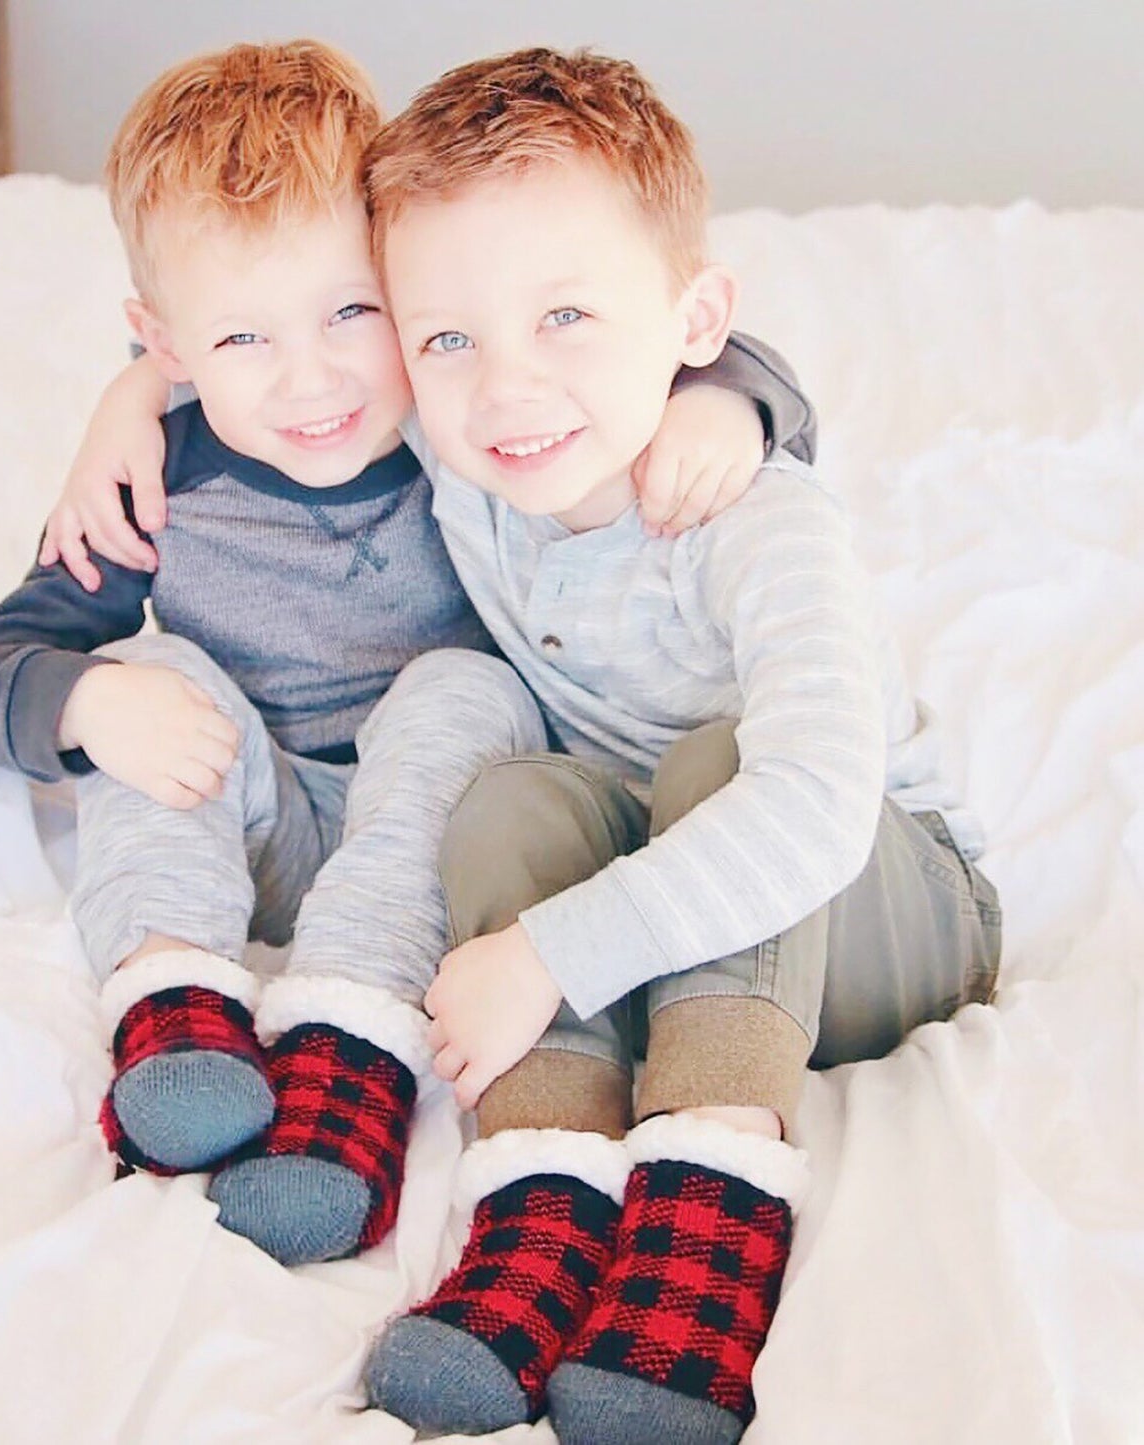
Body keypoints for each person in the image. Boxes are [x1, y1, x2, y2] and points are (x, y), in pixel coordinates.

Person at [0, 40, 816, 1268]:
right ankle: (172, 1005)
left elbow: (629, 359)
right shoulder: (158, 478)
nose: (315, 381)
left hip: (438, 843)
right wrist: (89, 694)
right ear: (165, 343)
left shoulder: (462, 432)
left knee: (459, 684)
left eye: (354, 312)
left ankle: (345, 1056)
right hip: (257, 824)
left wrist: (732, 397)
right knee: (155, 684)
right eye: (242, 340)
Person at [352, 47, 1003, 1445]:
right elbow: (269, 348)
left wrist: (545, 956)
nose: (504, 387)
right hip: (661, 890)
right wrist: (124, 402)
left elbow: (820, 807)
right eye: (446, 338)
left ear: (693, 316)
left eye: (569, 315)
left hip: (883, 903)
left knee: (722, 767)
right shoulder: (475, 472)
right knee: (511, 798)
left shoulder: (755, 522)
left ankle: (702, 1241)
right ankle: (542, 1213)